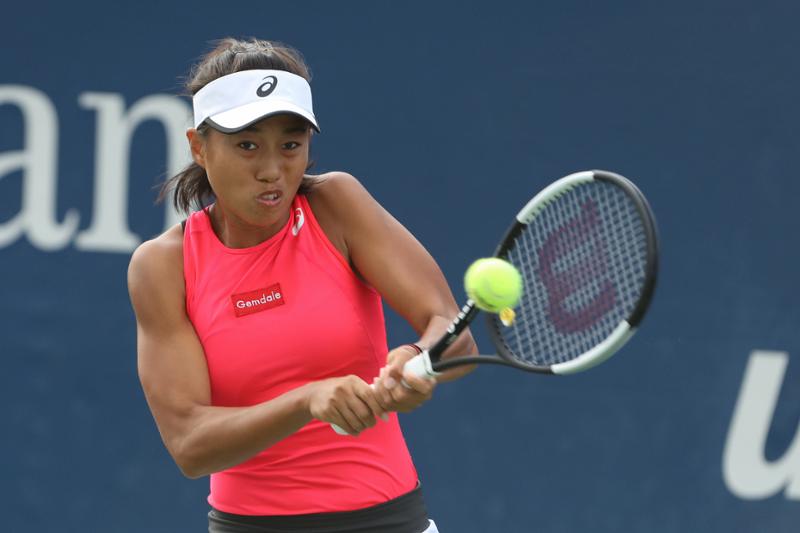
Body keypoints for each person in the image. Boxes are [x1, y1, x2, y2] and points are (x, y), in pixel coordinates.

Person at [127, 37, 476, 533]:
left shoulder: (337, 205)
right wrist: (305, 401)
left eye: (291, 145)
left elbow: (453, 331)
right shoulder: (163, 266)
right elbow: (189, 444)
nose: (272, 170)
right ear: (199, 147)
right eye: (247, 145)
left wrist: (419, 360)